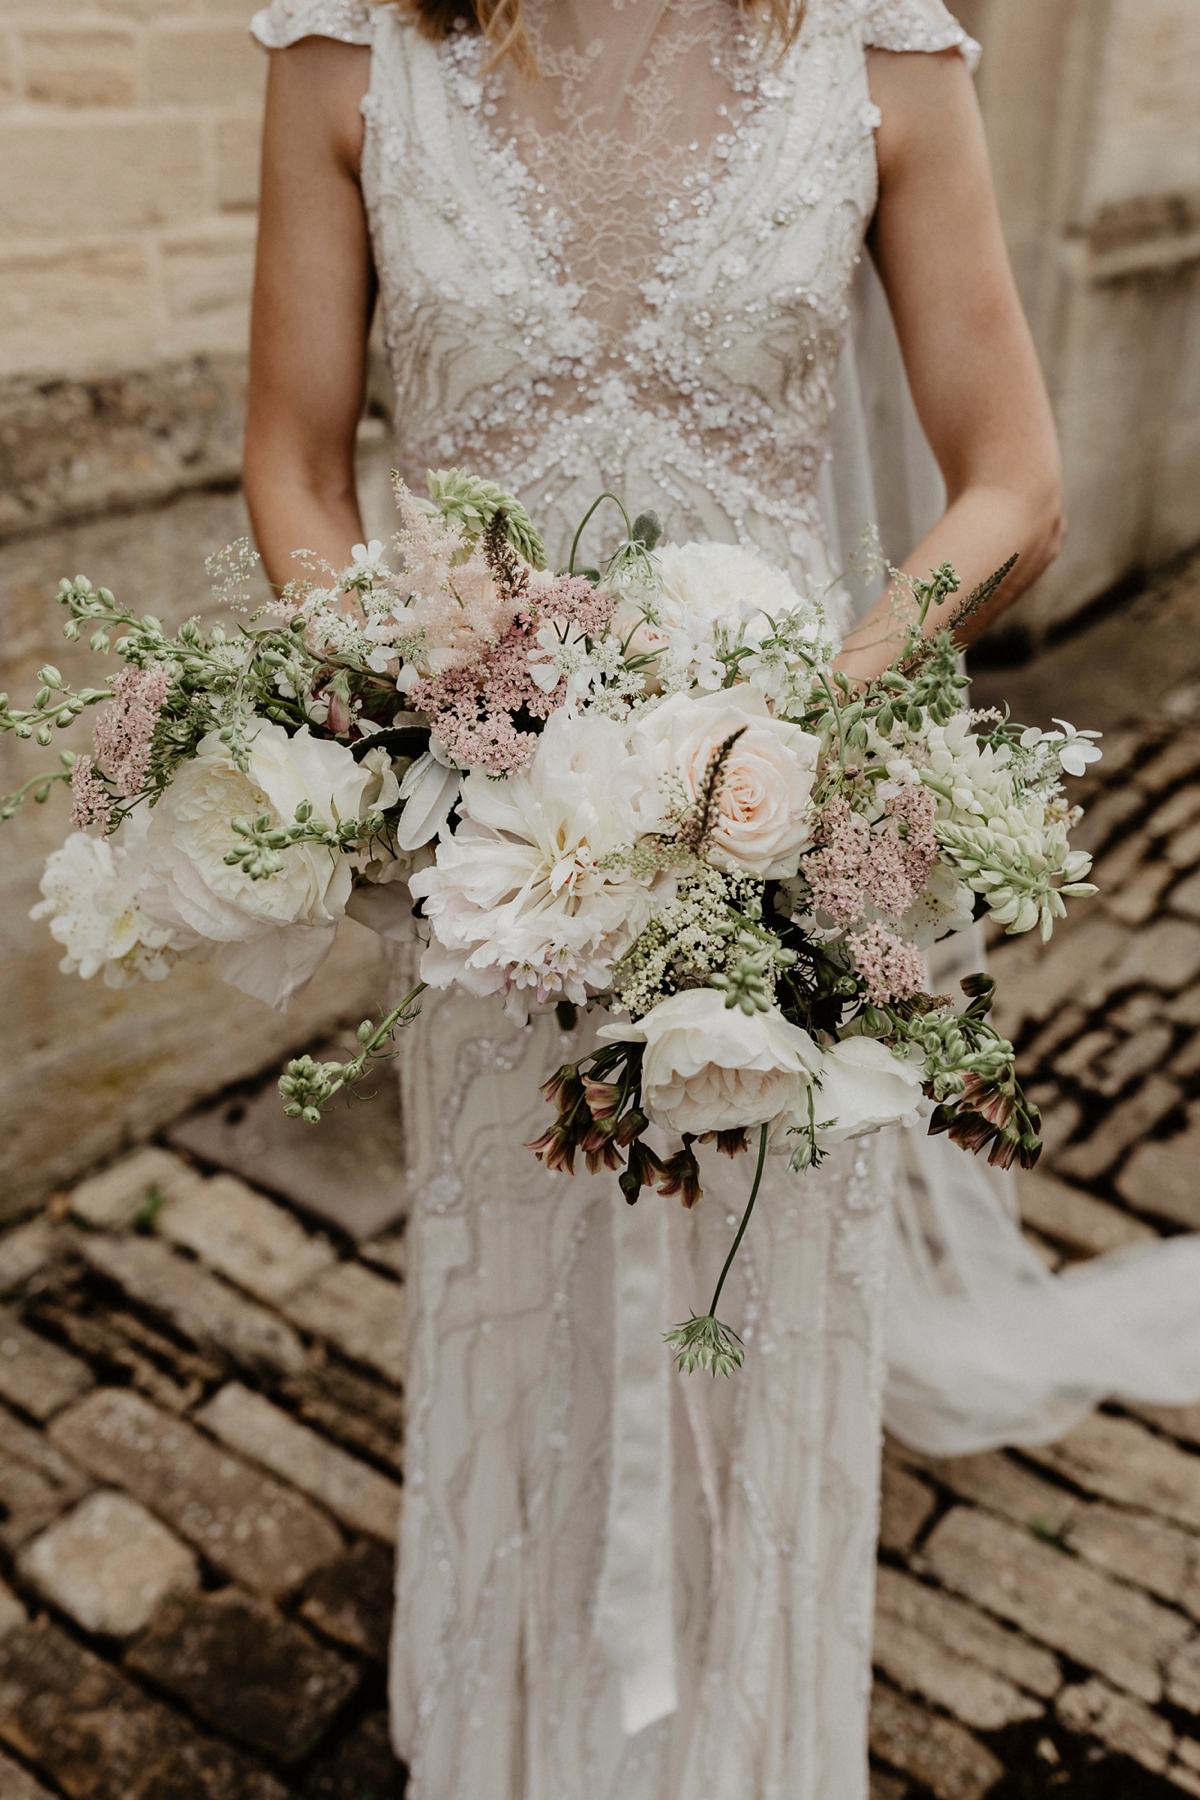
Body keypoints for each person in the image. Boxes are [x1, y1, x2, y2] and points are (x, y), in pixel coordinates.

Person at [244, 2, 1062, 1794]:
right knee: (512, 1314)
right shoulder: (346, 51)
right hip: (493, 873)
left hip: (778, 855)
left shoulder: (880, 54)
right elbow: (297, 468)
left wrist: (793, 739)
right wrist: (425, 710)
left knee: (763, 1339)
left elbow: (1012, 480)